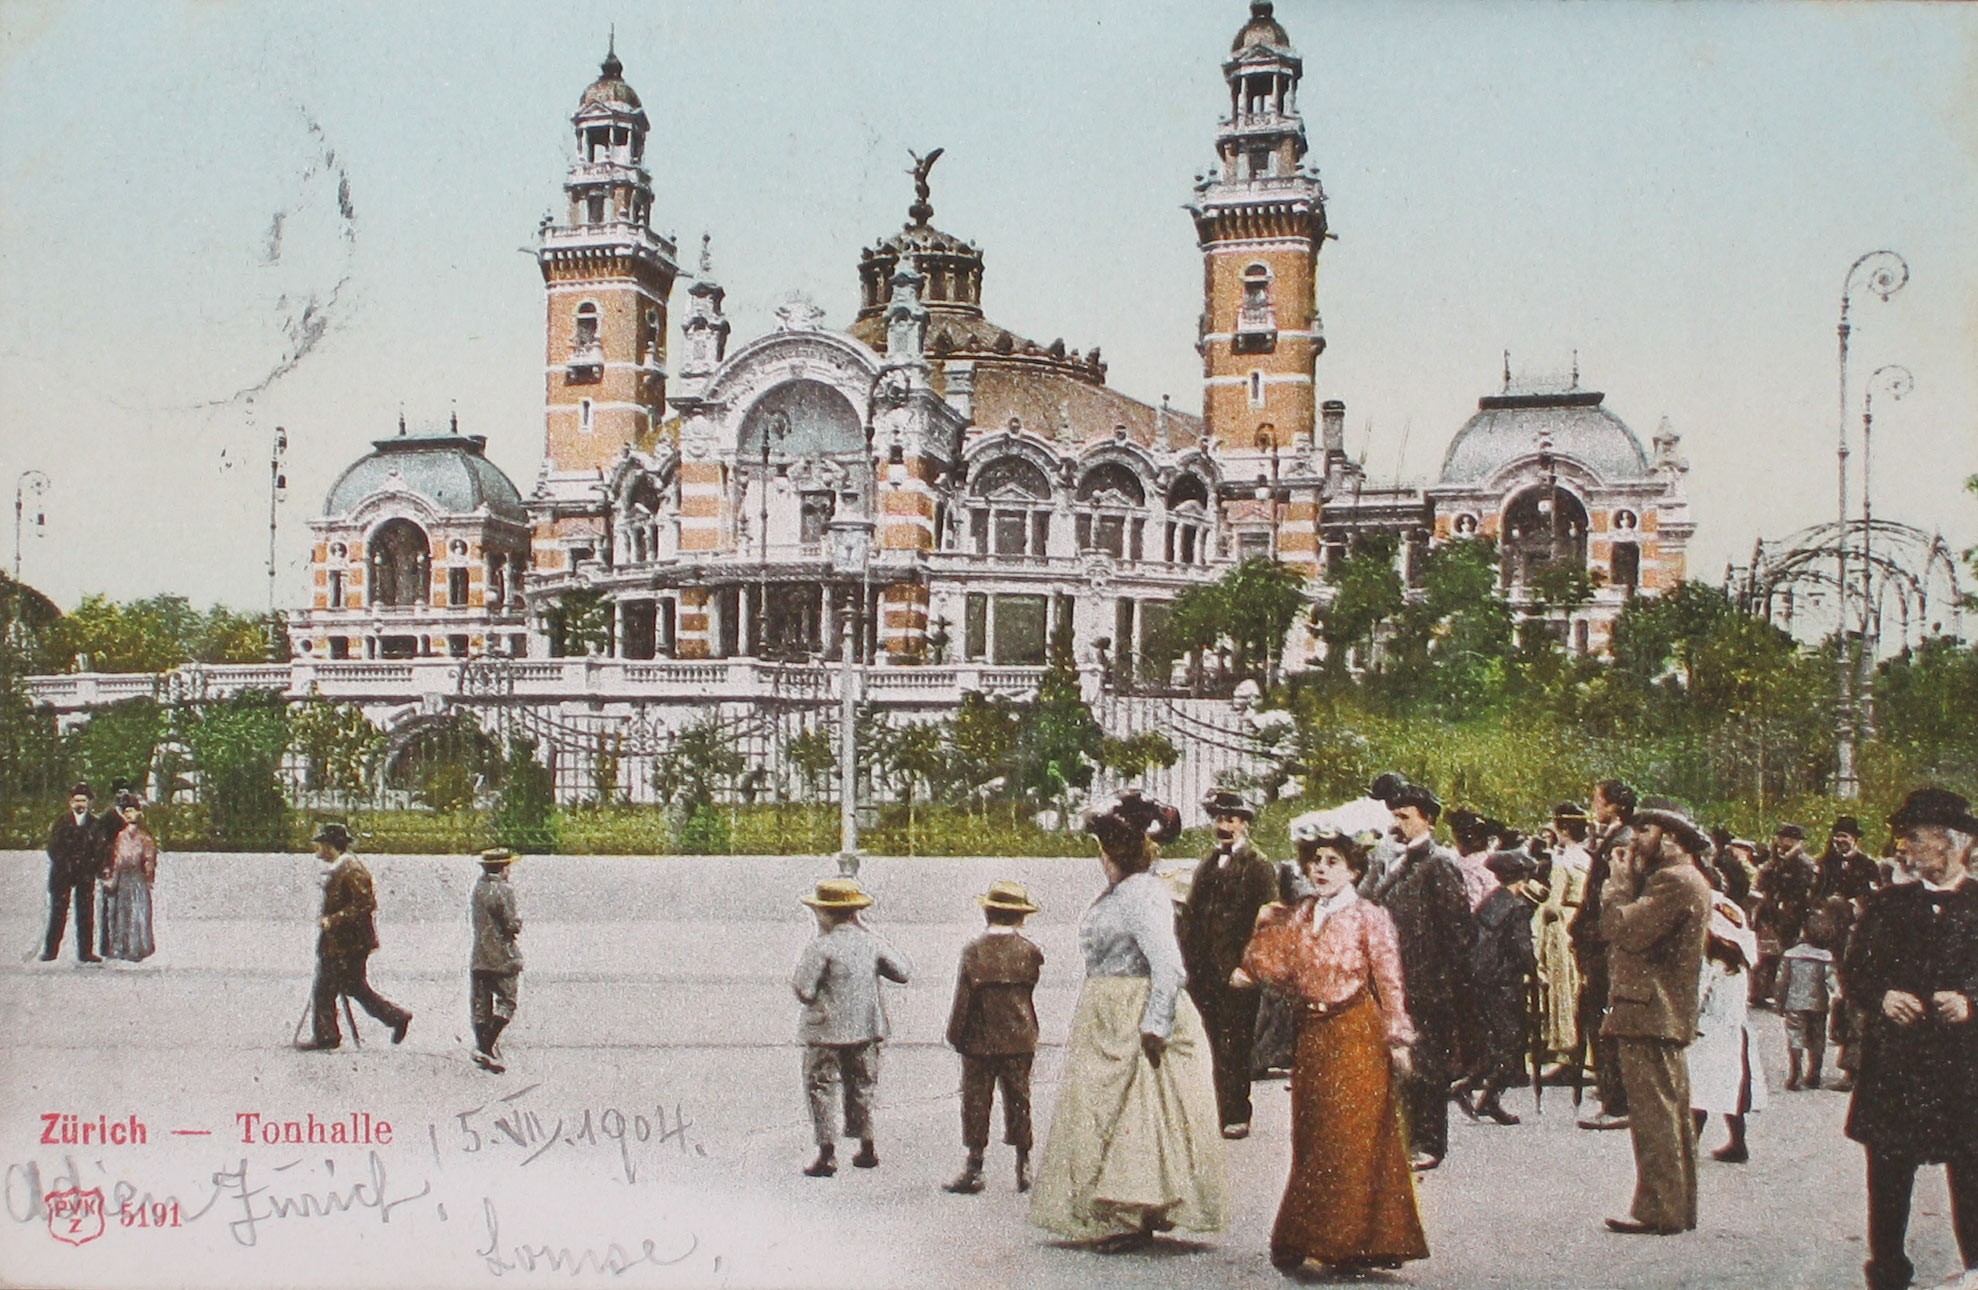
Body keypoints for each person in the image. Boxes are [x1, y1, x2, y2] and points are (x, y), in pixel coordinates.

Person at [1030, 790, 1227, 1253]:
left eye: (1107, 844)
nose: (1104, 854)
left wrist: (1155, 1023)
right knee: (1102, 1108)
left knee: (1137, 1109)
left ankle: (1131, 1213)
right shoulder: (1120, 892)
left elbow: (1169, 966)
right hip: (1105, 1008)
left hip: (1133, 1008)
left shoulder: (1142, 894)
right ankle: (1114, 1210)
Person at [1240, 819, 1427, 1275]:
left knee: (1352, 1138)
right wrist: (1249, 965)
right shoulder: (1302, 913)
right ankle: (1307, 1233)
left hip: (1355, 1033)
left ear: (1354, 869)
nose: (1321, 870)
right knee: (1313, 1135)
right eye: (1315, 861)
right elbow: (1277, 962)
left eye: (1332, 862)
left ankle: (1345, 1241)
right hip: (1313, 1035)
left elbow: (1390, 982)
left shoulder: (1369, 917)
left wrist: (1398, 1039)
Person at [1843, 788, 1978, 1290]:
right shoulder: (1886, 904)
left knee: (1972, 1173)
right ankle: (1887, 1272)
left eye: (1915, 838)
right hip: (1896, 1065)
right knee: (1889, 1174)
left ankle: (1976, 1271)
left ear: (1952, 843)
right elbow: (1854, 969)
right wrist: (1881, 996)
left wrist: (1971, 1002)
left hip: (1965, 1068)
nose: (1904, 847)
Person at [1598, 798, 1712, 1236]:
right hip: (1656, 1010)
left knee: (1655, 1115)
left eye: (1646, 831)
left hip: (1651, 1010)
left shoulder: (1674, 882)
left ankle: (1660, 1209)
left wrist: (1618, 885)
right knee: (1668, 1112)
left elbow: (1623, 928)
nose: (1636, 840)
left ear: (1672, 836)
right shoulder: (1681, 879)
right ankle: (1672, 1207)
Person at [1367, 782, 1474, 1171]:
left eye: (1405, 817)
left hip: (1427, 984)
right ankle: (1407, 1138)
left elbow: (1458, 930)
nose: (1398, 825)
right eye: (1394, 816)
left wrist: (1444, 982)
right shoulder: (1396, 860)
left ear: (1427, 819)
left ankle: (1429, 1143)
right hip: (1397, 980)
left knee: (1427, 1067)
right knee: (1404, 1066)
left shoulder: (1438, 862)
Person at [791, 876, 911, 1177]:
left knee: (821, 1087)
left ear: (825, 913)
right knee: (863, 1086)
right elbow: (902, 972)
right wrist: (870, 932)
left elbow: (804, 990)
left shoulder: (820, 946)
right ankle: (866, 1146)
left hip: (826, 1030)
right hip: (865, 1029)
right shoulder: (870, 943)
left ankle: (827, 1154)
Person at [1179, 787, 1277, 1139]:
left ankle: (1236, 1113)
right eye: (1220, 819)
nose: (1225, 826)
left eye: (1232, 819)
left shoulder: (1259, 866)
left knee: (1235, 1045)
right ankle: (1211, 1111)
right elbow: (1192, 915)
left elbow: (1267, 925)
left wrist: (1249, 969)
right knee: (1207, 1043)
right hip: (1203, 972)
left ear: (1245, 825)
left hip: (1236, 974)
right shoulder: (1207, 863)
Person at [943, 880, 1045, 1195]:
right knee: (1019, 1098)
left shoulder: (973, 951)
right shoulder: (1029, 952)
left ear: (988, 913)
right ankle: (1023, 1163)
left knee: (976, 1100)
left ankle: (975, 1165)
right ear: (1021, 918)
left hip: (979, 1037)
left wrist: (956, 1035)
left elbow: (963, 999)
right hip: (1019, 1034)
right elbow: (1029, 988)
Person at [298, 823, 413, 1052]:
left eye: (320, 844)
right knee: (354, 987)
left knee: (325, 988)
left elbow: (365, 904)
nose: (317, 849)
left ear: (331, 846)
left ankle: (327, 1036)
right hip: (344, 943)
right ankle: (395, 1017)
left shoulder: (352, 870)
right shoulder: (340, 869)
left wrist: (334, 919)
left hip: (348, 944)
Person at [1458, 846, 1540, 1126]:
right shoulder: (1518, 908)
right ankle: (1478, 1091)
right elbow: (1521, 947)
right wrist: (1535, 970)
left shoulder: (1490, 901)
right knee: (1512, 1041)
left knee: (1495, 1038)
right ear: (1522, 878)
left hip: (1481, 979)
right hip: (1505, 982)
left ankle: (1477, 1091)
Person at [1573, 778, 1637, 1131]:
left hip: (1606, 942)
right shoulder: (1613, 836)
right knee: (1598, 1016)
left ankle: (1617, 1099)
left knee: (1605, 1018)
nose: (1593, 804)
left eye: (1597, 799)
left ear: (1613, 804)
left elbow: (1614, 894)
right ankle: (1611, 1093)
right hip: (1598, 938)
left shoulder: (1622, 840)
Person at [1690, 895, 1766, 1164]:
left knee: (1698, 1092)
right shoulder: (1739, 963)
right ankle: (1738, 1143)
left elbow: (1697, 997)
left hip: (1709, 1032)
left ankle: (1689, 1146)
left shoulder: (1710, 964)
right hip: (1735, 1032)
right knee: (1732, 1091)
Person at [1537, 804, 1592, 1076]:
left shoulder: (1563, 862)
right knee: (1578, 984)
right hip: (1580, 918)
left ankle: (1564, 1050)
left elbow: (1553, 904)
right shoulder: (1587, 859)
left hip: (1562, 922)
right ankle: (1585, 1053)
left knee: (1561, 985)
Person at [1752, 824, 1819, 1007]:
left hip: (1792, 915)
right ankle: (1760, 993)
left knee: (1785, 956)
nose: (1781, 841)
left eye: (1785, 838)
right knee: (1766, 954)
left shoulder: (1804, 863)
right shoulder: (1774, 859)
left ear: (1795, 841)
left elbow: (1808, 892)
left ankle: (1781, 996)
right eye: (1780, 837)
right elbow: (1762, 883)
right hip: (1770, 912)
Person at [469, 846, 523, 1074]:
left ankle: (485, 1049)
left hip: (480, 954)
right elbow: (509, 924)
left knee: (481, 1004)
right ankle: (486, 1046)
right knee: (507, 1001)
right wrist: (518, 923)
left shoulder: (478, 887)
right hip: (501, 956)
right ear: (503, 868)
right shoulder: (504, 890)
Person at [1779, 910, 1841, 1091]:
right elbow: (1832, 981)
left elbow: (1782, 981)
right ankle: (1814, 1074)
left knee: (1795, 1036)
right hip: (1818, 1003)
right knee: (1817, 1038)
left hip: (1794, 1002)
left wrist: (1780, 1002)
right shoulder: (1826, 957)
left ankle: (1796, 1072)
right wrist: (1837, 995)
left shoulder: (1791, 955)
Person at [41, 782, 103, 964]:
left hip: (85, 875)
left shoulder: (95, 824)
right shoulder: (61, 822)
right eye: (76, 800)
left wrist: (91, 866)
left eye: (83, 800)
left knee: (86, 913)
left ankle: (86, 952)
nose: (80, 804)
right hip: (62, 874)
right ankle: (50, 951)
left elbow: (99, 849)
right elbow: (53, 847)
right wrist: (65, 863)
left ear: (89, 802)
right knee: (58, 912)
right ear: (70, 802)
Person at [97, 793, 157, 962]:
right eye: (127, 811)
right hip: (122, 876)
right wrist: (111, 874)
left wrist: (148, 875)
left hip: (137, 877)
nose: (130, 814)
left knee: (137, 911)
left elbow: (149, 858)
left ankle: (137, 948)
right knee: (121, 912)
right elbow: (116, 856)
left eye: (133, 811)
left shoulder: (144, 837)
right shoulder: (120, 836)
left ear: (139, 813)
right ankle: (119, 946)